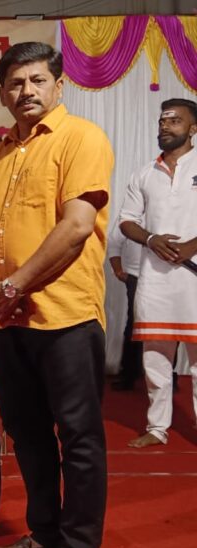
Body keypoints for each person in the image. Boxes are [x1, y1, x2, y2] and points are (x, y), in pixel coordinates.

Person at [0, 42, 113, 548]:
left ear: (58, 85)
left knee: (78, 435)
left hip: (65, 315)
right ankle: (45, 535)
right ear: (2, 92)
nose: (25, 91)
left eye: (36, 80)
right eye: (15, 83)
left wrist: (13, 286)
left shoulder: (82, 138)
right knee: (26, 434)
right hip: (5, 319)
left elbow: (76, 226)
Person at [117, 98, 197, 449]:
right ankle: (157, 428)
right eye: (163, 120)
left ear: (193, 129)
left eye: (175, 120)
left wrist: (193, 244)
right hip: (155, 278)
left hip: (193, 277)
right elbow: (126, 220)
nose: (165, 126)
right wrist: (150, 239)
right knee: (155, 357)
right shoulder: (144, 173)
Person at [107, 217, 143, 391]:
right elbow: (114, 242)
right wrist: (118, 270)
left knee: (170, 325)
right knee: (134, 326)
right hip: (136, 276)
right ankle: (129, 374)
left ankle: (170, 376)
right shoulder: (130, 215)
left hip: (168, 277)